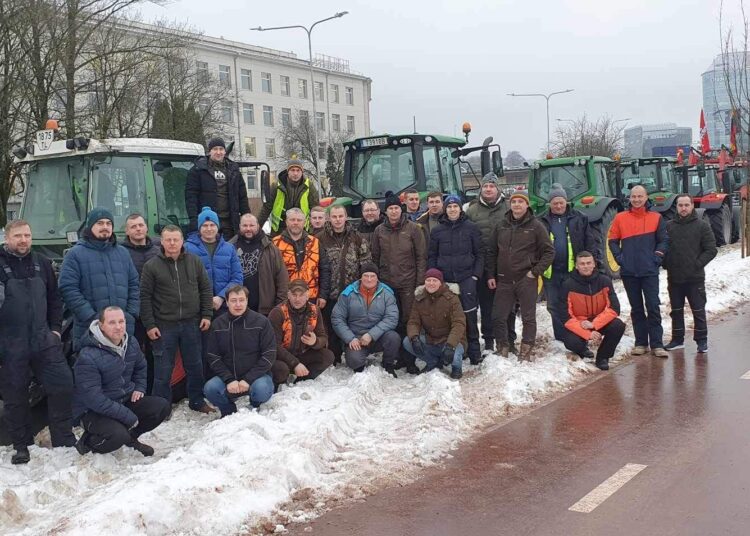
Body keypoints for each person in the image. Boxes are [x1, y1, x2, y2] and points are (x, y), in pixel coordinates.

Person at [0, 220, 75, 464]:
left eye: (27, 235)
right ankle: (22, 445)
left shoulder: (42, 263)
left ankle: (63, 438)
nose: (23, 240)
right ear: (7, 237)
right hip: (10, 343)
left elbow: (55, 299)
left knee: (62, 384)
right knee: (15, 396)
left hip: (43, 338)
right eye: (18, 236)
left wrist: (55, 330)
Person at [73, 306, 170, 457]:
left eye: (121, 321)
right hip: (93, 411)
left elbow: (141, 366)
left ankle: (130, 438)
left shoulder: (130, 343)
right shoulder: (88, 356)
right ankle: (88, 443)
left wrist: (140, 387)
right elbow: (94, 399)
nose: (118, 327)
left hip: (123, 399)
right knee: (117, 436)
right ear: (101, 325)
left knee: (161, 407)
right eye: (112, 323)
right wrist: (127, 416)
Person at [140, 225, 215, 413]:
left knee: (195, 365)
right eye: (168, 240)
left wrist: (206, 314)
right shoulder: (151, 266)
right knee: (163, 370)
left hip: (192, 323)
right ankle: (161, 407)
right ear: (162, 242)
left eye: (176, 239)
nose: (172, 243)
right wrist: (149, 324)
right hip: (164, 325)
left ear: (182, 241)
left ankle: (197, 400)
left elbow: (205, 289)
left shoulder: (194, 261)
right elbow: (145, 297)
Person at [59, 207, 140, 352]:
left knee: (123, 372)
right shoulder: (75, 254)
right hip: (89, 329)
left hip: (122, 329)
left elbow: (134, 285)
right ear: (90, 226)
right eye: (100, 223)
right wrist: (92, 317)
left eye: (109, 223)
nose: (105, 227)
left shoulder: (122, 253)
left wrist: (130, 314)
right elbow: (68, 288)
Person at [487, 191, 554, 361]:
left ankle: (526, 349)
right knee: (498, 316)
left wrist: (534, 272)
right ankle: (503, 347)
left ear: (527, 205)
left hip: (526, 278)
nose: (517, 205)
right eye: (514, 201)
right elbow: (492, 251)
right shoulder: (501, 225)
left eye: (520, 202)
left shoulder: (536, 226)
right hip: (504, 279)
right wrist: (491, 275)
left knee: (528, 317)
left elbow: (549, 251)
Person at [608, 185, 669, 358]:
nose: (636, 199)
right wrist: (621, 259)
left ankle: (657, 344)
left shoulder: (656, 218)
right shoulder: (620, 218)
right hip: (629, 272)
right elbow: (612, 241)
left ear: (646, 197)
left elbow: (663, 241)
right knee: (636, 309)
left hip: (649, 271)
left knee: (653, 306)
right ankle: (641, 343)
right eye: (633, 196)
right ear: (629, 198)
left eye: (639, 196)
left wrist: (656, 258)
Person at [371, 194, 426, 373]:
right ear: (385, 211)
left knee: (409, 320)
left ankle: (409, 359)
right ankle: (394, 357)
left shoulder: (413, 229)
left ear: (400, 209)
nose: (393, 211)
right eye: (390, 208)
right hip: (387, 284)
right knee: (391, 321)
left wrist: (419, 283)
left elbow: (421, 257)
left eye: (396, 208)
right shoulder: (379, 231)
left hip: (409, 283)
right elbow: (375, 257)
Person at [539, 185, 601, 341]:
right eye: (555, 203)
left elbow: (590, 242)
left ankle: (577, 334)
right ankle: (561, 337)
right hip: (551, 271)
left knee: (574, 306)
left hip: (573, 271)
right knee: (553, 305)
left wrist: (592, 264)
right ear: (550, 204)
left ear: (566, 201)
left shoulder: (579, 218)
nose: (559, 206)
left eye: (561, 202)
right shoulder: (541, 221)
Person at [204, 285, 276, 416]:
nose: (238, 304)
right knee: (210, 388)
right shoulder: (218, 324)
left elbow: (269, 355)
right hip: (229, 376)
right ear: (226, 302)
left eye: (241, 300)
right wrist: (228, 379)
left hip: (256, 377)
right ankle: (228, 411)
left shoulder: (261, 322)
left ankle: (254, 407)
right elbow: (213, 356)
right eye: (233, 300)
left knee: (262, 389)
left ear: (247, 300)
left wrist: (248, 379)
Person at [428, 195, 483, 364]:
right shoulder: (437, 231)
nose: (452, 209)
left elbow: (480, 253)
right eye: (449, 206)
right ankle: (456, 349)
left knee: (469, 316)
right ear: (445, 209)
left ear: (460, 209)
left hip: (466, 278)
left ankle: (474, 352)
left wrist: (475, 276)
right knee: (449, 317)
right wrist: (436, 278)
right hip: (446, 280)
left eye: (455, 206)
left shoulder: (471, 228)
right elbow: (432, 256)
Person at [465, 173, 515, 353]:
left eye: (491, 186)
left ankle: (509, 339)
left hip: (505, 264)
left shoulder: (508, 208)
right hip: (482, 265)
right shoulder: (472, 210)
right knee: (486, 305)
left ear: (497, 188)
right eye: (485, 186)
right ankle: (488, 341)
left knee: (508, 305)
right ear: (481, 188)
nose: (488, 189)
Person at [662, 194, 717, 353]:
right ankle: (677, 340)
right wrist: (666, 263)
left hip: (695, 278)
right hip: (674, 278)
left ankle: (701, 341)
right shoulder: (668, 226)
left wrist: (697, 264)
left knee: (698, 310)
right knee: (676, 311)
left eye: (687, 205)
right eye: (680, 205)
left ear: (692, 206)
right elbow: (663, 248)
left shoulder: (702, 225)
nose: (683, 208)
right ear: (677, 207)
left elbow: (711, 249)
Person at [317, 205, 371, 363]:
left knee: (351, 324)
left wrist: (363, 288)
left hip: (352, 291)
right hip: (330, 291)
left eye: (340, 216)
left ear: (346, 217)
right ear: (329, 218)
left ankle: (353, 354)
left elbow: (366, 263)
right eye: (334, 216)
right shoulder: (320, 238)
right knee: (332, 325)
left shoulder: (357, 237)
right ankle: (334, 357)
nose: (338, 220)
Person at [331, 262, 401, 376]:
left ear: (377, 278)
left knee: (393, 338)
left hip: (378, 337)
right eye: (366, 276)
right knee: (355, 362)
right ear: (360, 277)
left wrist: (371, 335)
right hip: (356, 338)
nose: (369, 279)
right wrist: (350, 338)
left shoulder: (387, 293)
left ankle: (388, 364)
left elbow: (392, 318)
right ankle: (359, 362)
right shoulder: (348, 293)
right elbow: (337, 318)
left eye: (372, 276)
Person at [561, 252, 626, 370]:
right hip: (580, 323)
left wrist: (594, 324)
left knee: (618, 325)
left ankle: (603, 357)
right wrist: (587, 333)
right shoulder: (567, 285)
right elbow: (565, 316)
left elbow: (614, 308)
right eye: (582, 264)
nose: (585, 266)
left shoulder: (604, 281)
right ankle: (582, 350)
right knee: (571, 341)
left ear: (594, 264)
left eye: (588, 263)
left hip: (598, 320)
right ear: (576, 266)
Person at [268, 280, 335, 386]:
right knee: (282, 370)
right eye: (294, 295)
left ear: (308, 295)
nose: (297, 299)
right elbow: (273, 346)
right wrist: (295, 363)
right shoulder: (277, 313)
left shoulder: (315, 310)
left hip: (302, 354)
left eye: (301, 295)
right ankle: (279, 386)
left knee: (328, 356)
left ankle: (301, 382)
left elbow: (323, 337)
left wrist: (315, 342)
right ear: (288, 295)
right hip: (282, 357)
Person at [122, 212, 162, 393]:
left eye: (140, 225)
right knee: (133, 355)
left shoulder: (159, 249)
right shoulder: (121, 252)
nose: (138, 229)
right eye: (133, 226)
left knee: (157, 356)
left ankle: (155, 392)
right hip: (133, 313)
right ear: (127, 231)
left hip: (157, 312)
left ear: (146, 227)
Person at [404, 268, 467, 379]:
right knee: (407, 342)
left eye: (434, 280)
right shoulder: (420, 298)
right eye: (428, 280)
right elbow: (413, 321)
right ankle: (432, 362)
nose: (431, 283)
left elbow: (459, 323)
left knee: (455, 354)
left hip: (450, 340)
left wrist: (450, 345)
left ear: (440, 282)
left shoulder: (452, 298)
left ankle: (457, 367)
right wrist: (414, 338)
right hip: (431, 339)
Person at [185, 137, 250, 240]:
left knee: (228, 251)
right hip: (208, 222)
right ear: (209, 151)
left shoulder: (234, 170)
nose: (218, 152)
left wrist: (247, 218)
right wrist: (194, 219)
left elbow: (242, 196)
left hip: (230, 223)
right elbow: (191, 197)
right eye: (215, 149)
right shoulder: (198, 170)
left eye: (221, 149)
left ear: (225, 151)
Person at [185, 206, 243, 314]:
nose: (209, 229)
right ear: (199, 228)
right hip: (197, 308)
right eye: (205, 225)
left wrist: (221, 297)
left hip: (224, 307)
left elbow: (237, 278)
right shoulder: (187, 248)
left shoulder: (229, 248)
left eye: (212, 225)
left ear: (217, 226)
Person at [230, 213, 289, 315]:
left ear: (258, 226)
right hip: (236, 308)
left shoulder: (270, 248)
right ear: (239, 226)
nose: (248, 229)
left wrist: (280, 306)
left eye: (251, 225)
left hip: (265, 310)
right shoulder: (230, 247)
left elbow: (282, 279)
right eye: (245, 225)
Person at [272, 208, 331, 309]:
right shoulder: (275, 243)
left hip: (311, 296)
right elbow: (271, 273)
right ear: (286, 222)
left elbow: (325, 269)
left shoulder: (315, 242)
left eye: (299, 220)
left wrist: (323, 295)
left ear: (304, 222)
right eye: (292, 220)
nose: (296, 223)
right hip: (285, 297)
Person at [258, 158, 321, 236]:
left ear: (302, 172)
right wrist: (257, 228)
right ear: (288, 172)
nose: (295, 173)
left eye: (298, 170)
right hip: (280, 229)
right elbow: (266, 208)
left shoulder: (309, 186)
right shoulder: (276, 186)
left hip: (302, 229)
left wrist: (315, 231)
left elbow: (315, 209)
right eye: (293, 170)